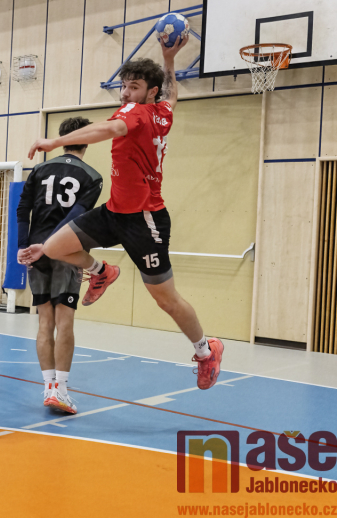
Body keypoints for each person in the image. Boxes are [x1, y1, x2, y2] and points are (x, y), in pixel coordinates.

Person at [25, 36, 224, 390]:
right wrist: (168, 59)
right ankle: (102, 271)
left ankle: (206, 350)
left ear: (149, 92)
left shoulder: (134, 113)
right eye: (124, 86)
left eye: (134, 87)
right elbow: (172, 95)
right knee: (53, 248)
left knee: (166, 300)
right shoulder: (162, 111)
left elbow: (110, 128)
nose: (126, 93)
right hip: (114, 211)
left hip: (145, 220)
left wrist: (55, 142)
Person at [16, 117, 103, 414]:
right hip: (67, 251)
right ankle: (61, 391)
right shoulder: (93, 176)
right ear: (87, 141)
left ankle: (48, 388)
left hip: (35, 251)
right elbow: (76, 215)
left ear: (62, 139)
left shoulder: (39, 169)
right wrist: (52, 244)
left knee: (45, 322)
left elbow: (23, 210)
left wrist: (24, 247)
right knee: (65, 322)